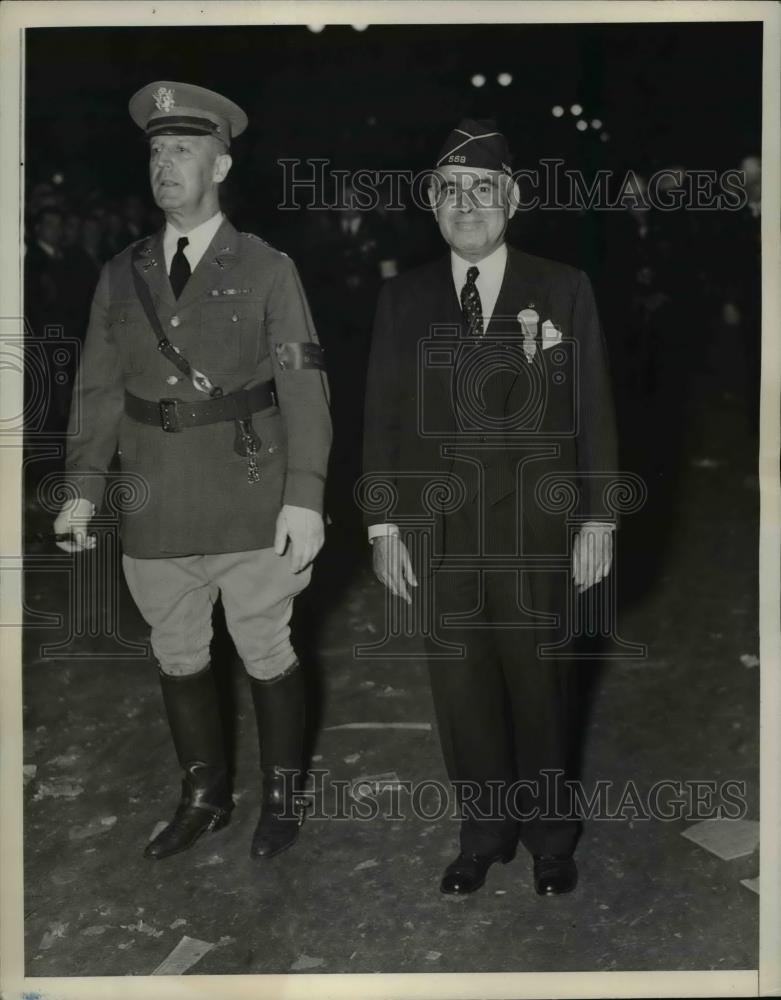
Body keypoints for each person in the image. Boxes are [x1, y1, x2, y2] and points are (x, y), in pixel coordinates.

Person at [53, 81, 332, 862]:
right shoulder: (122, 271)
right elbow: (98, 390)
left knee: (265, 650)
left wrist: (304, 499)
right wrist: (82, 493)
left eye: (182, 149)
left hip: (249, 496)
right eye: (155, 150)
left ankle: (281, 797)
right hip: (155, 501)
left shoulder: (269, 268)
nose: (165, 164)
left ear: (221, 164)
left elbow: (304, 389)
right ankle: (204, 796)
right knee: (177, 654)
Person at [363, 120, 618, 896]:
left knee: (539, 684)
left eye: (481, 189)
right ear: (431, 206)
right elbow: (382, 416)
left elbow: (593, 409)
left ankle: (548, 836)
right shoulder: (402, 297)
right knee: (460, 688)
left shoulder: (561, 286)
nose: (464, 204)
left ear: (511, 198)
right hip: (437, 533)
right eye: (449, 191)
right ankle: (483, 833)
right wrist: (382, 524)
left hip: (533, 529)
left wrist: (598, 516)